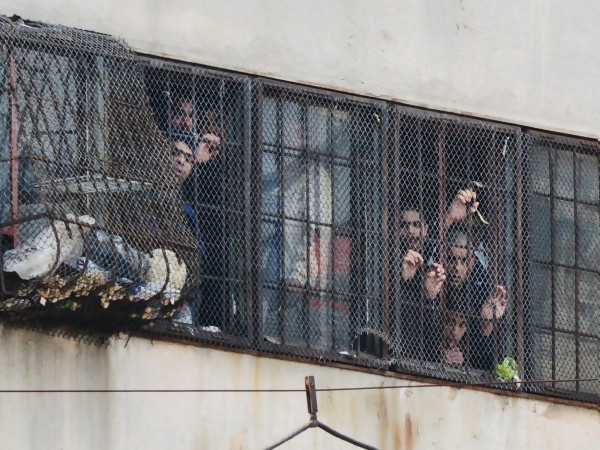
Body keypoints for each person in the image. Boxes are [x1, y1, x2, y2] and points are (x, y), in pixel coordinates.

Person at [442, 227, 507, 369]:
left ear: (472, 263)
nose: (457, 268)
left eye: (463, 261)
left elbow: (486, 361)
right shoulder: (434, 285)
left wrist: (486, 325)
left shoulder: (478, 295)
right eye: (451, 259)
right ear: (442, 257)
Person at [169, 139, 206, 324]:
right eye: (175, 153)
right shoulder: (139, 193)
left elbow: (199, 253)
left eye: (189, 159)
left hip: (178, 294)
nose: (181, 161)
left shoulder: (188, 211)